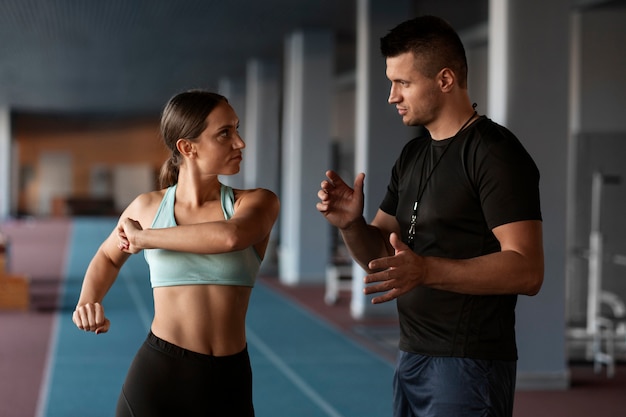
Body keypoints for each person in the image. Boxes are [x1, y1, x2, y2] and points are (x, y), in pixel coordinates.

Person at [316, 15, 543, 417]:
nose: (391, 96)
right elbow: (382, 259)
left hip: (469, 364)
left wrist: (426, 271)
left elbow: (527, 270)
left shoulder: (494, 153)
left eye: (403, 83)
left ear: (445, 80)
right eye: (391, 82)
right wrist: (352, 225)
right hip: (411, 356)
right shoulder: (413, 155)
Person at [72, 90, 279, 417]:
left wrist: (145, 238)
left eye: (237, 129)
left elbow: (231, 237)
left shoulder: (255, 203)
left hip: (229, 381)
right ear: (187, 147)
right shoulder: (148, 207)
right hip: (159, 376)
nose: (240, 143)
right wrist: (88, 301)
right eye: (225, 133)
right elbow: (108, 256)